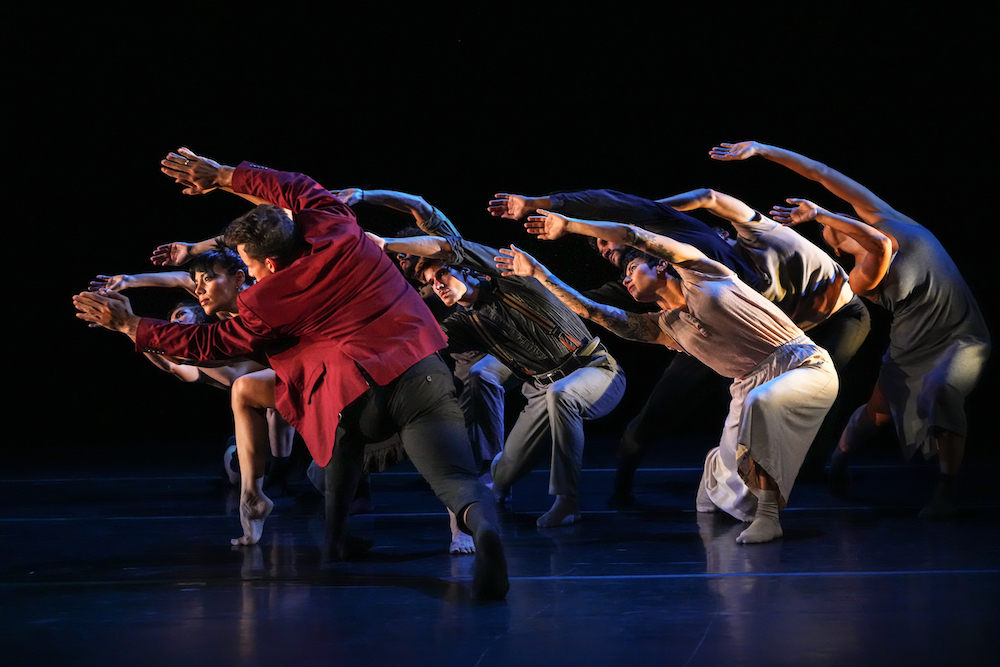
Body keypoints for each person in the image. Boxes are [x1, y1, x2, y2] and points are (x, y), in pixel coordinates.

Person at [74, 148, 507, 600]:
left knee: (342, 436)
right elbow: (295, 185)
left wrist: (130, 325)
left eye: (249, 261)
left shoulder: (266, 300)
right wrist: (221, 175)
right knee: (456, 480)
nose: (249, 269)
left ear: (272, 264)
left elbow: (207, 345)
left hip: (354, 394)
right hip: (419, 369)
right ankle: (480, 528)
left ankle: (336, 541)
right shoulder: (336, 223)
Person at [498, 209, 839, 543]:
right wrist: (540, 273)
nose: (626, 278)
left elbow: (635, 236)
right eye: (624, 276)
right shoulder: (667, 327)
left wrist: (570, 224)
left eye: (632, 268)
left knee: (759, 404)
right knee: (723, 486)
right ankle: (717, 476)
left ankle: (769, 517)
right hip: (747, 386)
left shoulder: (702, 273)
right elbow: (593, 311)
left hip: (803, 366)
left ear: (660, 264)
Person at [712, 140, 990, 517]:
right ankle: (840, 457)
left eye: (842, 225)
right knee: (876, 414)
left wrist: (761, 150)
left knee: (942, 391)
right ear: (838, 249)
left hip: (963, 336)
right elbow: (876, 245)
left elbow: (819, 171)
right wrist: (821, 217)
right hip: (912, 346)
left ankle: (946, 489)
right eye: (836, 234)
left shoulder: (887, 218)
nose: (842, 230)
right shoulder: (863, 277)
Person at [488, 189, 762, 508]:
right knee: (648, 424)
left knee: (762, 417)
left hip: (757, 336)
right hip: (709, 348)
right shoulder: (637, 283)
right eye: (601, 248)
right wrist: (534, 281)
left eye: (605, 241)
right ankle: (622, 491)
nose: (603, 250)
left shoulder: (673, 232)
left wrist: (544, 206)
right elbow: (591, 307)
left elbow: (615, 204)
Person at [374, 221, 626, 528]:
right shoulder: (462, 322)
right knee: (503, 475)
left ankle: (567, 500)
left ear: (467, 270)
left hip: (595, 370)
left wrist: (386, 242)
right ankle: (497, 469)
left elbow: (450, 245)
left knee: (563, 394)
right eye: (431, 281)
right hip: (542, 389)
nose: (438, 284)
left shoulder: (511, 280)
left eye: (443, 274)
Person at [654, 188, 872, 477]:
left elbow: (709, 197)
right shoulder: (720, 280)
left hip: (841, 315)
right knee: (744, 384)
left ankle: (818, 461)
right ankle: (752, 456)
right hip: (793, 335)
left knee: (822, 381)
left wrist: (646, 212)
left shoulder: (755, 234)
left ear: (723, 238)